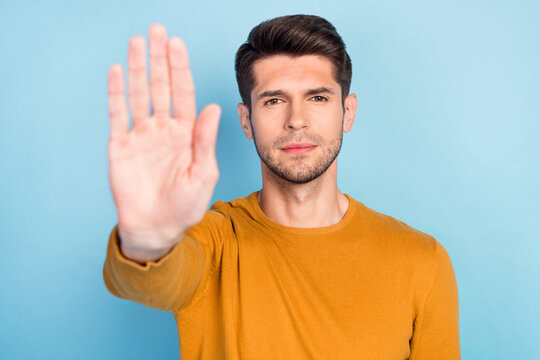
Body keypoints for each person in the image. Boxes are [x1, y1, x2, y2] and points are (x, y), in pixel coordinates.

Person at [103, 14, 461, 359]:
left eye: (317, 98)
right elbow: (148, 281)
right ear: (246, 120)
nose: (296, 120)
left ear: (347, 112)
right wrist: (148, 239)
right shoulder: (212, 242)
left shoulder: (421, 261)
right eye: (274, 100)